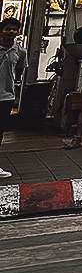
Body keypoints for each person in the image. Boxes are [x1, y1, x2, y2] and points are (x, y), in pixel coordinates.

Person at [0, 17, 27, 179]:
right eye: (7, 29)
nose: (11, 32)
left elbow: (20, 71)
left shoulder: (20, 51)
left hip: (6, 96)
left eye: (14, 29)